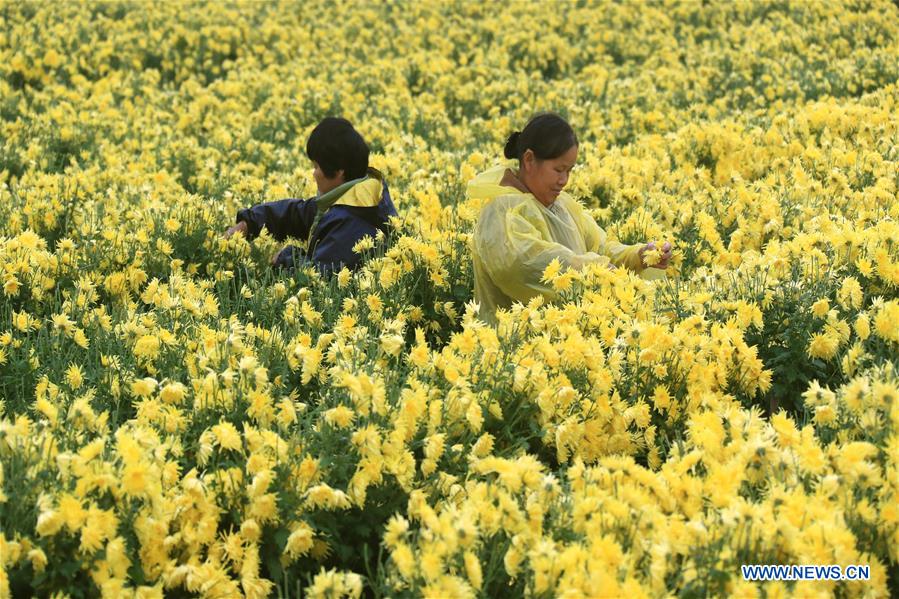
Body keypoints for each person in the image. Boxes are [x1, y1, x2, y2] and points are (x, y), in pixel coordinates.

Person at [468, 113, 672, 324]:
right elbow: (523, 266)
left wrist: (638, 255)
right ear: (529, 160)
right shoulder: (502, 211)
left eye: (569, 170)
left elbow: (600, 249)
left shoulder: (561, 205)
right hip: (510, 348)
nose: (564, 180)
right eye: (558, 170)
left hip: (568, 344)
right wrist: (595, 271)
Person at [224, 117, 397, 274]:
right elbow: (299, 213)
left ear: (338, 172)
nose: (313, 174)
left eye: (316, 167)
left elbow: (319, 277)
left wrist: (285, 259)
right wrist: (250, 222)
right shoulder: (357, 194)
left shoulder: (353, 221)